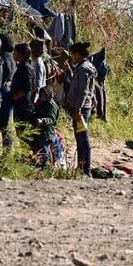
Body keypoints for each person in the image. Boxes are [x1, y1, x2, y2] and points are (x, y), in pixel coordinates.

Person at [63, 41, 97, 176]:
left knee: (83, 138)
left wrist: (78, 109)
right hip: (81, 108)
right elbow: (77, 85)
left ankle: (86, 170)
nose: (72, 57)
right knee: (80, 138)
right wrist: (69, 72)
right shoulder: (83, 67)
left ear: (77, 54)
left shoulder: (84, 69)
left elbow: (83, 91)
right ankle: (81, 168)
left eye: (72, 54)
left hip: (81, 109)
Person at [33, 86, 64, 167]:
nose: (42, 97)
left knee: (45, 147)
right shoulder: (42, 103)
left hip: (48, 130)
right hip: (40, 129)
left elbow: (52, 119)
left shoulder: (52, 106)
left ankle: (46, 164)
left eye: (44, 95)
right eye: (41, 95)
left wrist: (43, 121)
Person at [0, 33, 17, 148]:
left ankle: (7, 147)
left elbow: (7, 71)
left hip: (4, 91)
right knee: (6, 122)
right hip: (9, 90)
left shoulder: (4, 56)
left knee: (3, 122)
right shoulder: (11, 56)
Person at [10, 42, 35, 125]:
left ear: (20, 54)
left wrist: (13, 98)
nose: (13, 54)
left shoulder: (26, 68)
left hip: (23, 105)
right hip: (19, 104)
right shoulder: (22, 66)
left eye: (15, 52)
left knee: (22, 130)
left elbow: (26, 88)